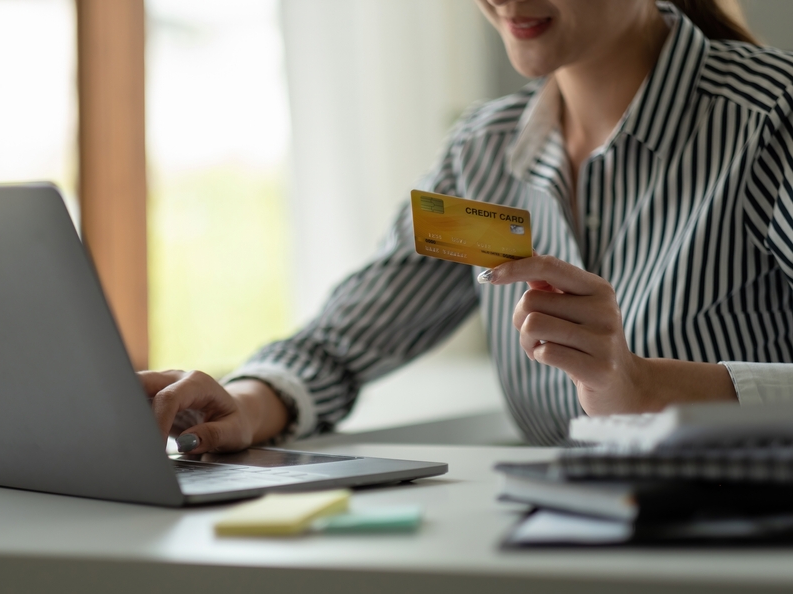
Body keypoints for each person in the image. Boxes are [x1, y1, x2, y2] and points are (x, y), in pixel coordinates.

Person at [142, 0, 793, 453]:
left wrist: (645, 388)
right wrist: (244, 405)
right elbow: (342, 342)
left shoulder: (771, 121)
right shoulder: (482, 151)